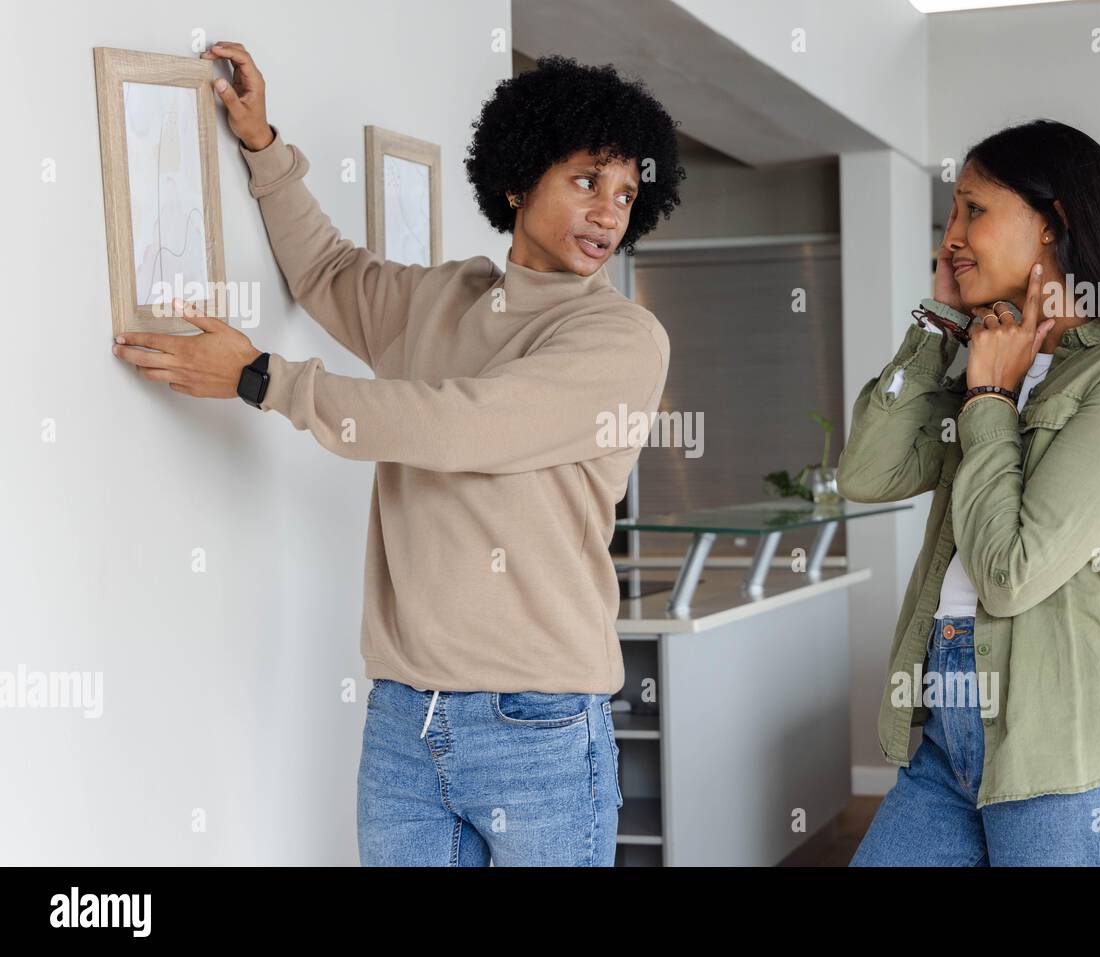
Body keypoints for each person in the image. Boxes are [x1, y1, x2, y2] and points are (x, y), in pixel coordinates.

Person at [110, 43, 684, 866]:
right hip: (404, 719)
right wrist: (264, 146)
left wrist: (259, 378)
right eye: (587, 181)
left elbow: (459, 426)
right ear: (519, 180)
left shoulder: (621, 338)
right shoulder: (442, 298)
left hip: (542, 724)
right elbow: (328, 272)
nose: (608, 211)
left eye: (627, 193)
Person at [839, 119, 1100, 866]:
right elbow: (865, 473)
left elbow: (1009, 572)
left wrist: (989, 400)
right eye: (950, 213)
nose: (951, 237)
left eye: (974, 209)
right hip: (946, 738)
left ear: (1052, 224)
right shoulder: (985, 358)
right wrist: (939, 322)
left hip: (1071, 750)